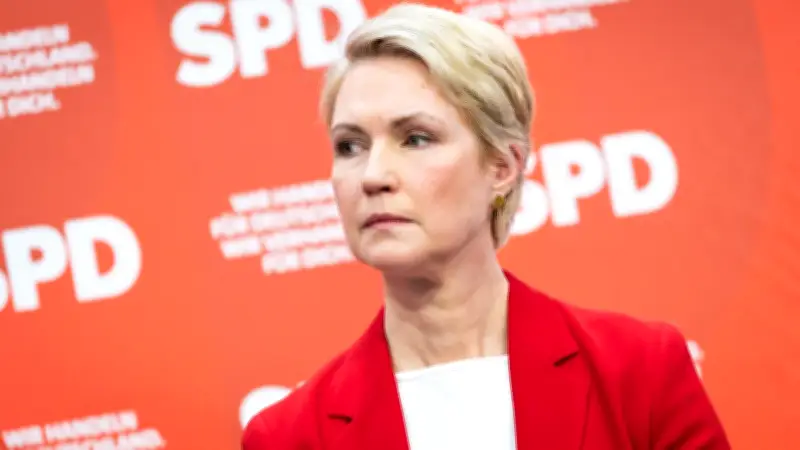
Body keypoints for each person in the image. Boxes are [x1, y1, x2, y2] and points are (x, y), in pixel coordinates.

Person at [242, 3, 730, 449]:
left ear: (502, 166)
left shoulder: (640, 373)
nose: (372, 176)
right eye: (350, 145)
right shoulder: (288, 437)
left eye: (415, 138)